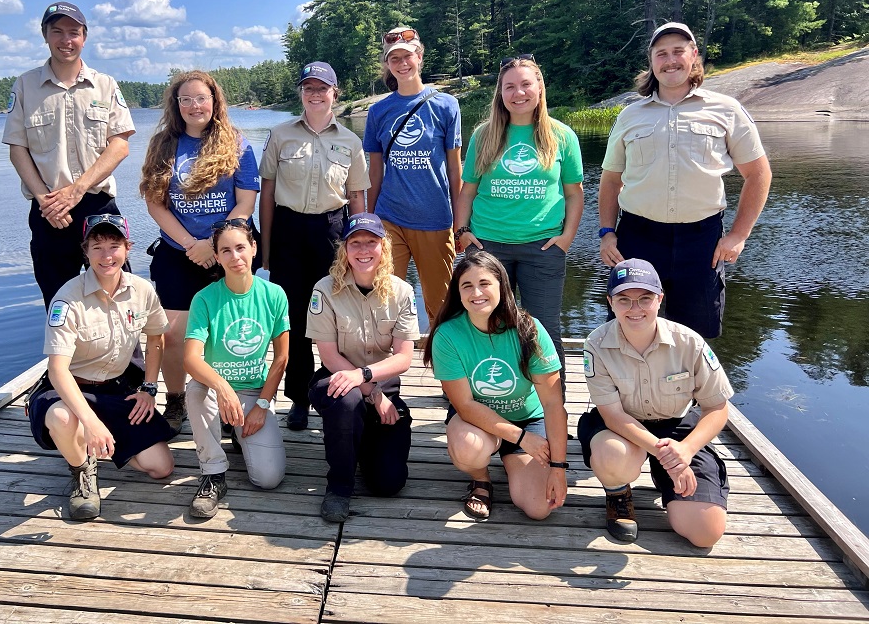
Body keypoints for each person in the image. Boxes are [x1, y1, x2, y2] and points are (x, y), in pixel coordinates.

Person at [598, 22, 772, 338]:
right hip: (638, 238)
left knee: (695, 334)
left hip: (702, 241)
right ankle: (631, 388)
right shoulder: (630, 116)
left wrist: (737, 235)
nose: (670, 60)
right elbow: (610, 181)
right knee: (628, 328)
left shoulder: (726, 109)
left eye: (678, 51)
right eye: (661, 53)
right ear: (651, 62)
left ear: (693, 55)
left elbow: (759, 174)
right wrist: (607, 234)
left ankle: (687, 389)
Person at [26, 215, 175, 520]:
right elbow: (57, 371)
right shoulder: (68, 299)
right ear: (86, 251)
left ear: (127, 248)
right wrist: (91, 423)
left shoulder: (141, 290)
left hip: (116, 388)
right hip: (68, 389)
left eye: (114, 245)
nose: (107, 256)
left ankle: (95, 444)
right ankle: (82, 470)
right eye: (97, 247)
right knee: (65, 419)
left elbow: (157, 337)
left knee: (161, 467)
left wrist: (148, 388)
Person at [578, 259, 733, 547]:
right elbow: (612, 415)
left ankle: (667, 480)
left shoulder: (690, 342)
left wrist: (685, 450)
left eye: (645, 299)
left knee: (705, 533)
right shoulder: (596, 344)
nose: (635, 309)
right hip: (623, 426)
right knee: (612, 454)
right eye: (624, 300)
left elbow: (717, 407)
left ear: (659, 299)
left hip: (675, 426)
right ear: (610, 302)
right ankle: (618, 493)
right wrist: (667, 457)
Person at [139, 71, 260, 433]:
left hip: (225, 252)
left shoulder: (236, 143)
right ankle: (176, 399)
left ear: (214, 101)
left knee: (226, 330)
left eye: (201, 98)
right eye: (186, 99)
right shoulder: (163, 143)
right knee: (173, 334)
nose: (195, 106)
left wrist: (215, 241)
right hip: (178, 252)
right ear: (176, 105)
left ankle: (230, 397)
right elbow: (155, 203)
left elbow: (246, 202)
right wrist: (192, 244)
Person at [456, 54, 584, 390]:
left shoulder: (562, 136)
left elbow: (574, 193)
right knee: (486, 322)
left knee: (542, 328)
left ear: (539, 88)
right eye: (509, 86)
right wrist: (463, 232)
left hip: (542, 247)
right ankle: (485, 396)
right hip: (488, 246)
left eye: (526, 84)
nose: (518, 93)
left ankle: (553, 406)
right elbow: (467, 191)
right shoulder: (484, 135)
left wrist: (567, 237)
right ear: (500, 93)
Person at [259, 61, 370, 431]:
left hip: (333, 230)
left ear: (334, 92)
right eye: (308, 88)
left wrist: (359, 246)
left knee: (335, 315)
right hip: (290, 229)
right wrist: (267, 248)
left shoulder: (350, 141)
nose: (315, 94)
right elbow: (268, 193)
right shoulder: (280, 134)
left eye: (322, 88)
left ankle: (333, 392)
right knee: (292, 317)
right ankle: (299, 398)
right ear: (301, 94)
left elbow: (356, 197)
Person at [3, 1, 136, 308]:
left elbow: (120, 145)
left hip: (97, 205)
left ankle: (129, 358)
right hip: (48, 210)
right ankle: (68, 357)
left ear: (84, 36)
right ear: (45, 35)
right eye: (57, 32)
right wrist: (44, 200)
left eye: (74, 32)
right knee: (59, 302)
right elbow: (17, 148)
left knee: (118, 297)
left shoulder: (104, 85)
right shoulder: (25, 86)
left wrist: (76, 190)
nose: (66, 40)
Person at [424, 251, 568, 522]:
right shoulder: (448, 335)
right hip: (478, 422)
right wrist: (521, 439)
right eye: (467, 285)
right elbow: (465, 406)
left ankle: (510, 459)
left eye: (485, 283)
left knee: (540, 507)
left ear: (502, 286)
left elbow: (553, 404)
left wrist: (558, 468)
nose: (476, 292)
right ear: (458, 292)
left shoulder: (530, 330)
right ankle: (481, 480)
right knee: (469, 448)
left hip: (528, 421)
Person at [306, 213, 420, 522]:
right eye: (355, 243)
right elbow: (328, 356)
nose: (363, 249)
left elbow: (404, 358)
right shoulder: (325, 289)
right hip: (335, 381)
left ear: (384, 247)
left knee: (388, 484)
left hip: (383, 387)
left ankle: (360, 443)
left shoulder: (402, 292)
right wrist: (370, 390)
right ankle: (339, 488)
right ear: (344, 249)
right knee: (348, 400)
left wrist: (368, 379)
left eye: (371, 242)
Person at [183, 218, 289, 518]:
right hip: (217, 390)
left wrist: (263, 405)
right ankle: (213, 473)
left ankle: (238, 433)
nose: (235, 257)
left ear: (254, 248)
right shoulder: (204, 298)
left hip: (255, 391)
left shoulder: (274, 295)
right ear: (216, 257)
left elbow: (281, 358)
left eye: (241, 247)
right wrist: (223, 387)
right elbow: (191, 359)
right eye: (226, 250)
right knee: (196, 391)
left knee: (268, 480)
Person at [364, 27, 462, 330]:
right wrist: (370, 221)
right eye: (394, 58)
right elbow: (375, 170)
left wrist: (461, 225)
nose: (402, 63)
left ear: (419, 56)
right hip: (390, 218)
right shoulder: (379, 111)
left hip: (434, 220)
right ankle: (381, 372)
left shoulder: (446, 105)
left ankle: (446, 370)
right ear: (388, 64)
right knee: (384, 301)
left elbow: (456, 170)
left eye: (407, 55)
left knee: (441, 304)